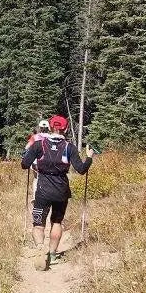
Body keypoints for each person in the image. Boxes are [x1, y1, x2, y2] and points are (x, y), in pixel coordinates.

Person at [20, 115, 94, 269]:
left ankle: (40, 248)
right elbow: (81, 170)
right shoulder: (69, 147)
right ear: (65, 129)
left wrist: (25, 155)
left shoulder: (39, 145)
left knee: (38, 224)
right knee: (57, 222)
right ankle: (52, 255)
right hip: (61, 191)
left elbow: (25, 165)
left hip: (42, 190)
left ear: (50, 127)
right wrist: (89, 158)